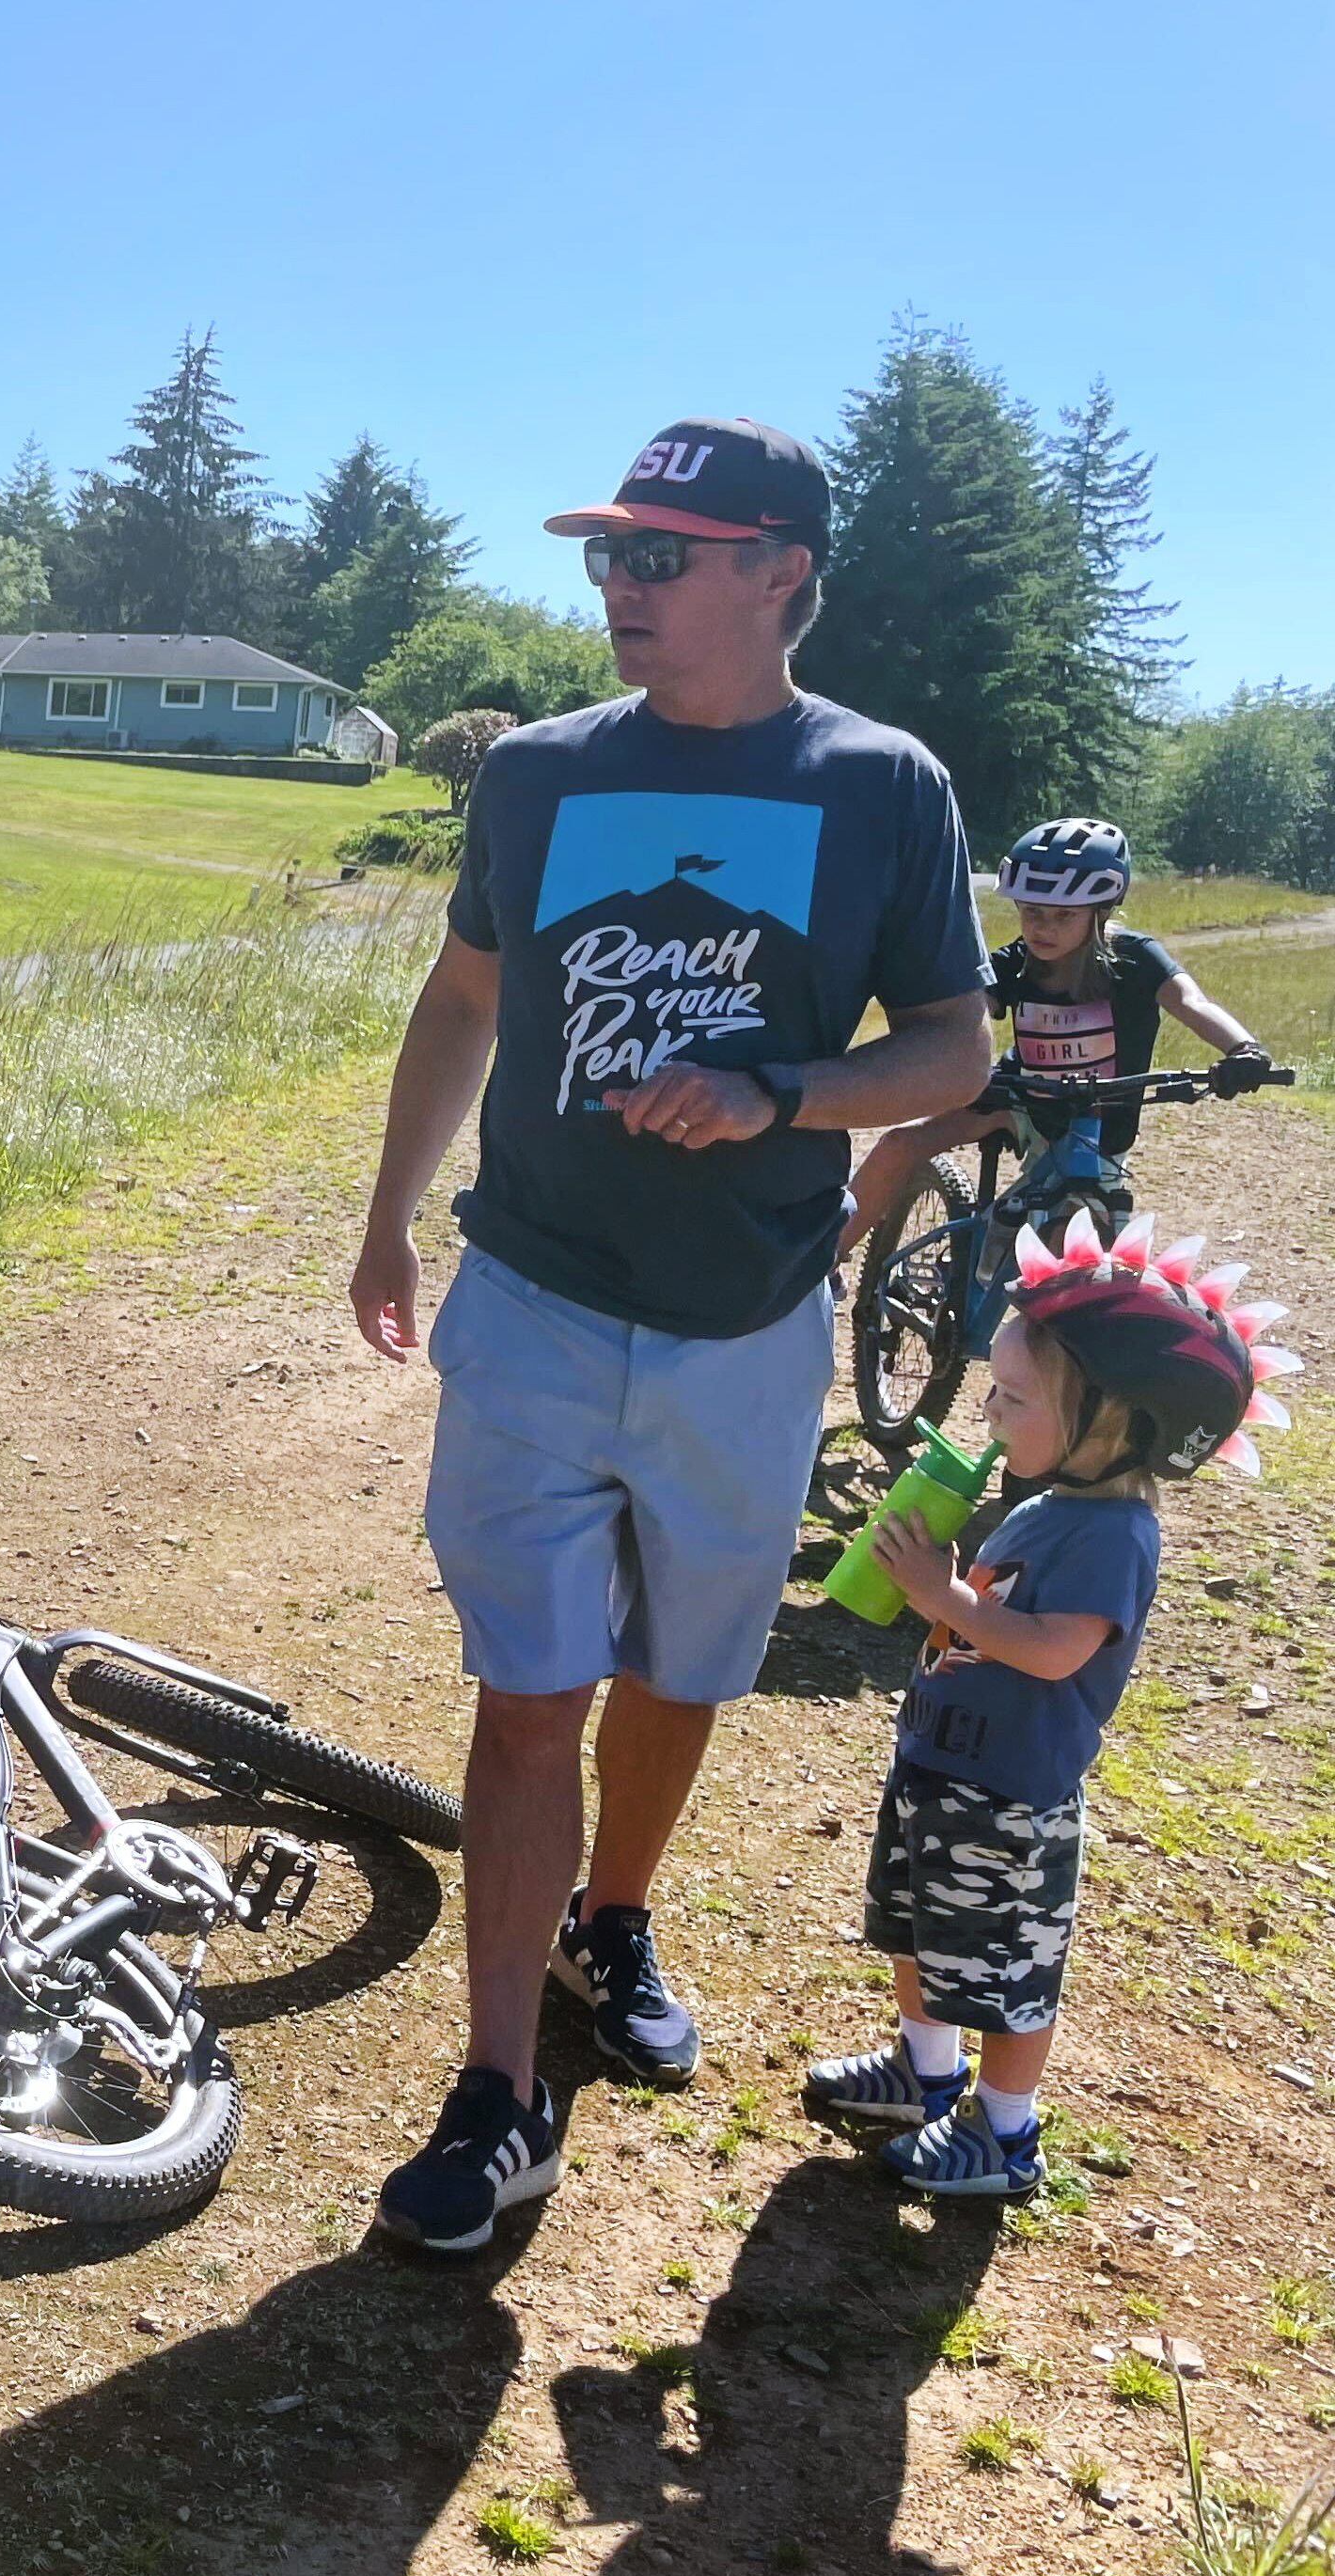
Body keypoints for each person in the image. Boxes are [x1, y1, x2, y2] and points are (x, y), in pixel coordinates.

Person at [346, 419, 997, 2252]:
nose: (617, 588)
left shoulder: (883, 787)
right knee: (527, 1696)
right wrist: (390, 1207)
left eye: (661, 557)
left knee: (685, 1676)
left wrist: (785, 1089)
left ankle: (612, 1919)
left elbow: (952, 1049)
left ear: (782, 568)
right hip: (536, 1303)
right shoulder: (540, 777)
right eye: (608, 557)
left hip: (746, 1330)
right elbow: (468, 989)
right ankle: (496, 2094)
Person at [803, 1210, 1296, 2195]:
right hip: (942, 1768)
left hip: (1012, 1801)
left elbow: (1054, 1650)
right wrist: (930, 1588)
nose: (990, 1414)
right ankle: (923, 2075)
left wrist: (944, 1600)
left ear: (1111, 1420)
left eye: (1014, 1398)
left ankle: (1005, 2131)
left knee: (1008, 1979)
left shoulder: (1112, 1536)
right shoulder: (1040, 1503)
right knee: (919, 1934)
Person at [840, 817, 1276, 1258]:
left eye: (1064, 916)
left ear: (1100, 911)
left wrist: (1244, 1049)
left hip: (1099, 1130)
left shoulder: (1136, 961)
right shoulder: (1016, 962)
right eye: (1032, 912)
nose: (1043, 929)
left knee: (1074, 1252)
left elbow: (1191, 1002)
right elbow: (964, 1011)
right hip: (1021, 1103)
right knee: (900, 1144)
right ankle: (817, 1265)